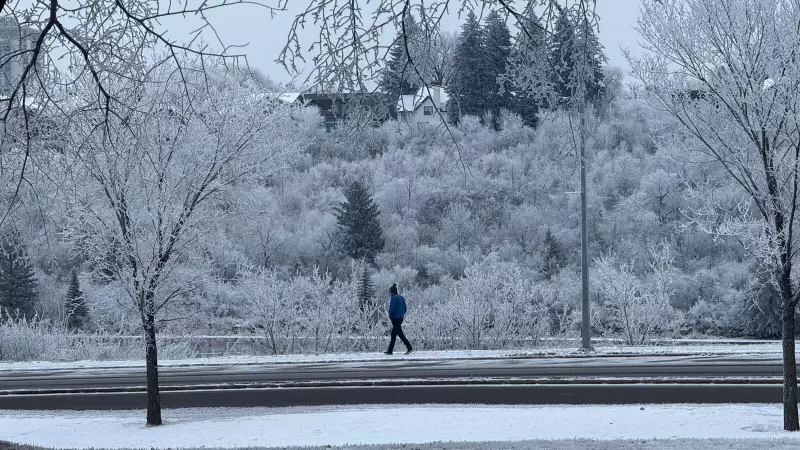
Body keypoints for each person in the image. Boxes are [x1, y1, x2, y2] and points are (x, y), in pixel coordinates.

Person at [385, 284, 413, 355]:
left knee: (400, 334)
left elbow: (391, 309)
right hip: (400, 318)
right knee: (393, 334)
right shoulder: (402, 298)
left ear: (393, 292)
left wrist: (390, 317)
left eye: (390, 292)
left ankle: (410, 348)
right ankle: (390, 351)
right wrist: (401, 315)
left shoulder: (393, 298)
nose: (390, 294)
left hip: (395, 318)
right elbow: (405, 309)